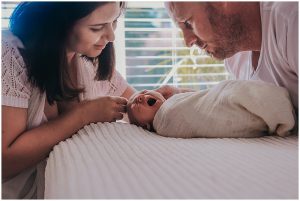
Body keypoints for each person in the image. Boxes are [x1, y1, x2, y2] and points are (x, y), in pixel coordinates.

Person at [2, 2, 136, 199]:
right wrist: (83, 115)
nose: (111, 36)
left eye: (114, 21)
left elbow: (136, 104)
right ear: (58, 23)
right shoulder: (9, 54)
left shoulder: (89, 59)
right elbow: (4, 162)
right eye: (97, 27)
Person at [164, 2, 298, 111]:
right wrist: (186, 99)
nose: (188, 41)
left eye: (188, 23)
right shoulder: (235, 58)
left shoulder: (291, 18)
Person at [127, 80, 295, 138]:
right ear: (144, 126)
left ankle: (266, 103)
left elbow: (206, 98)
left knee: (229, 92)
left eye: (142, 92)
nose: (140, 97)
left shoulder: (175, 101)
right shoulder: (165, 121)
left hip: (223, 94)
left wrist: (178, 92)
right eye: (135, 104)